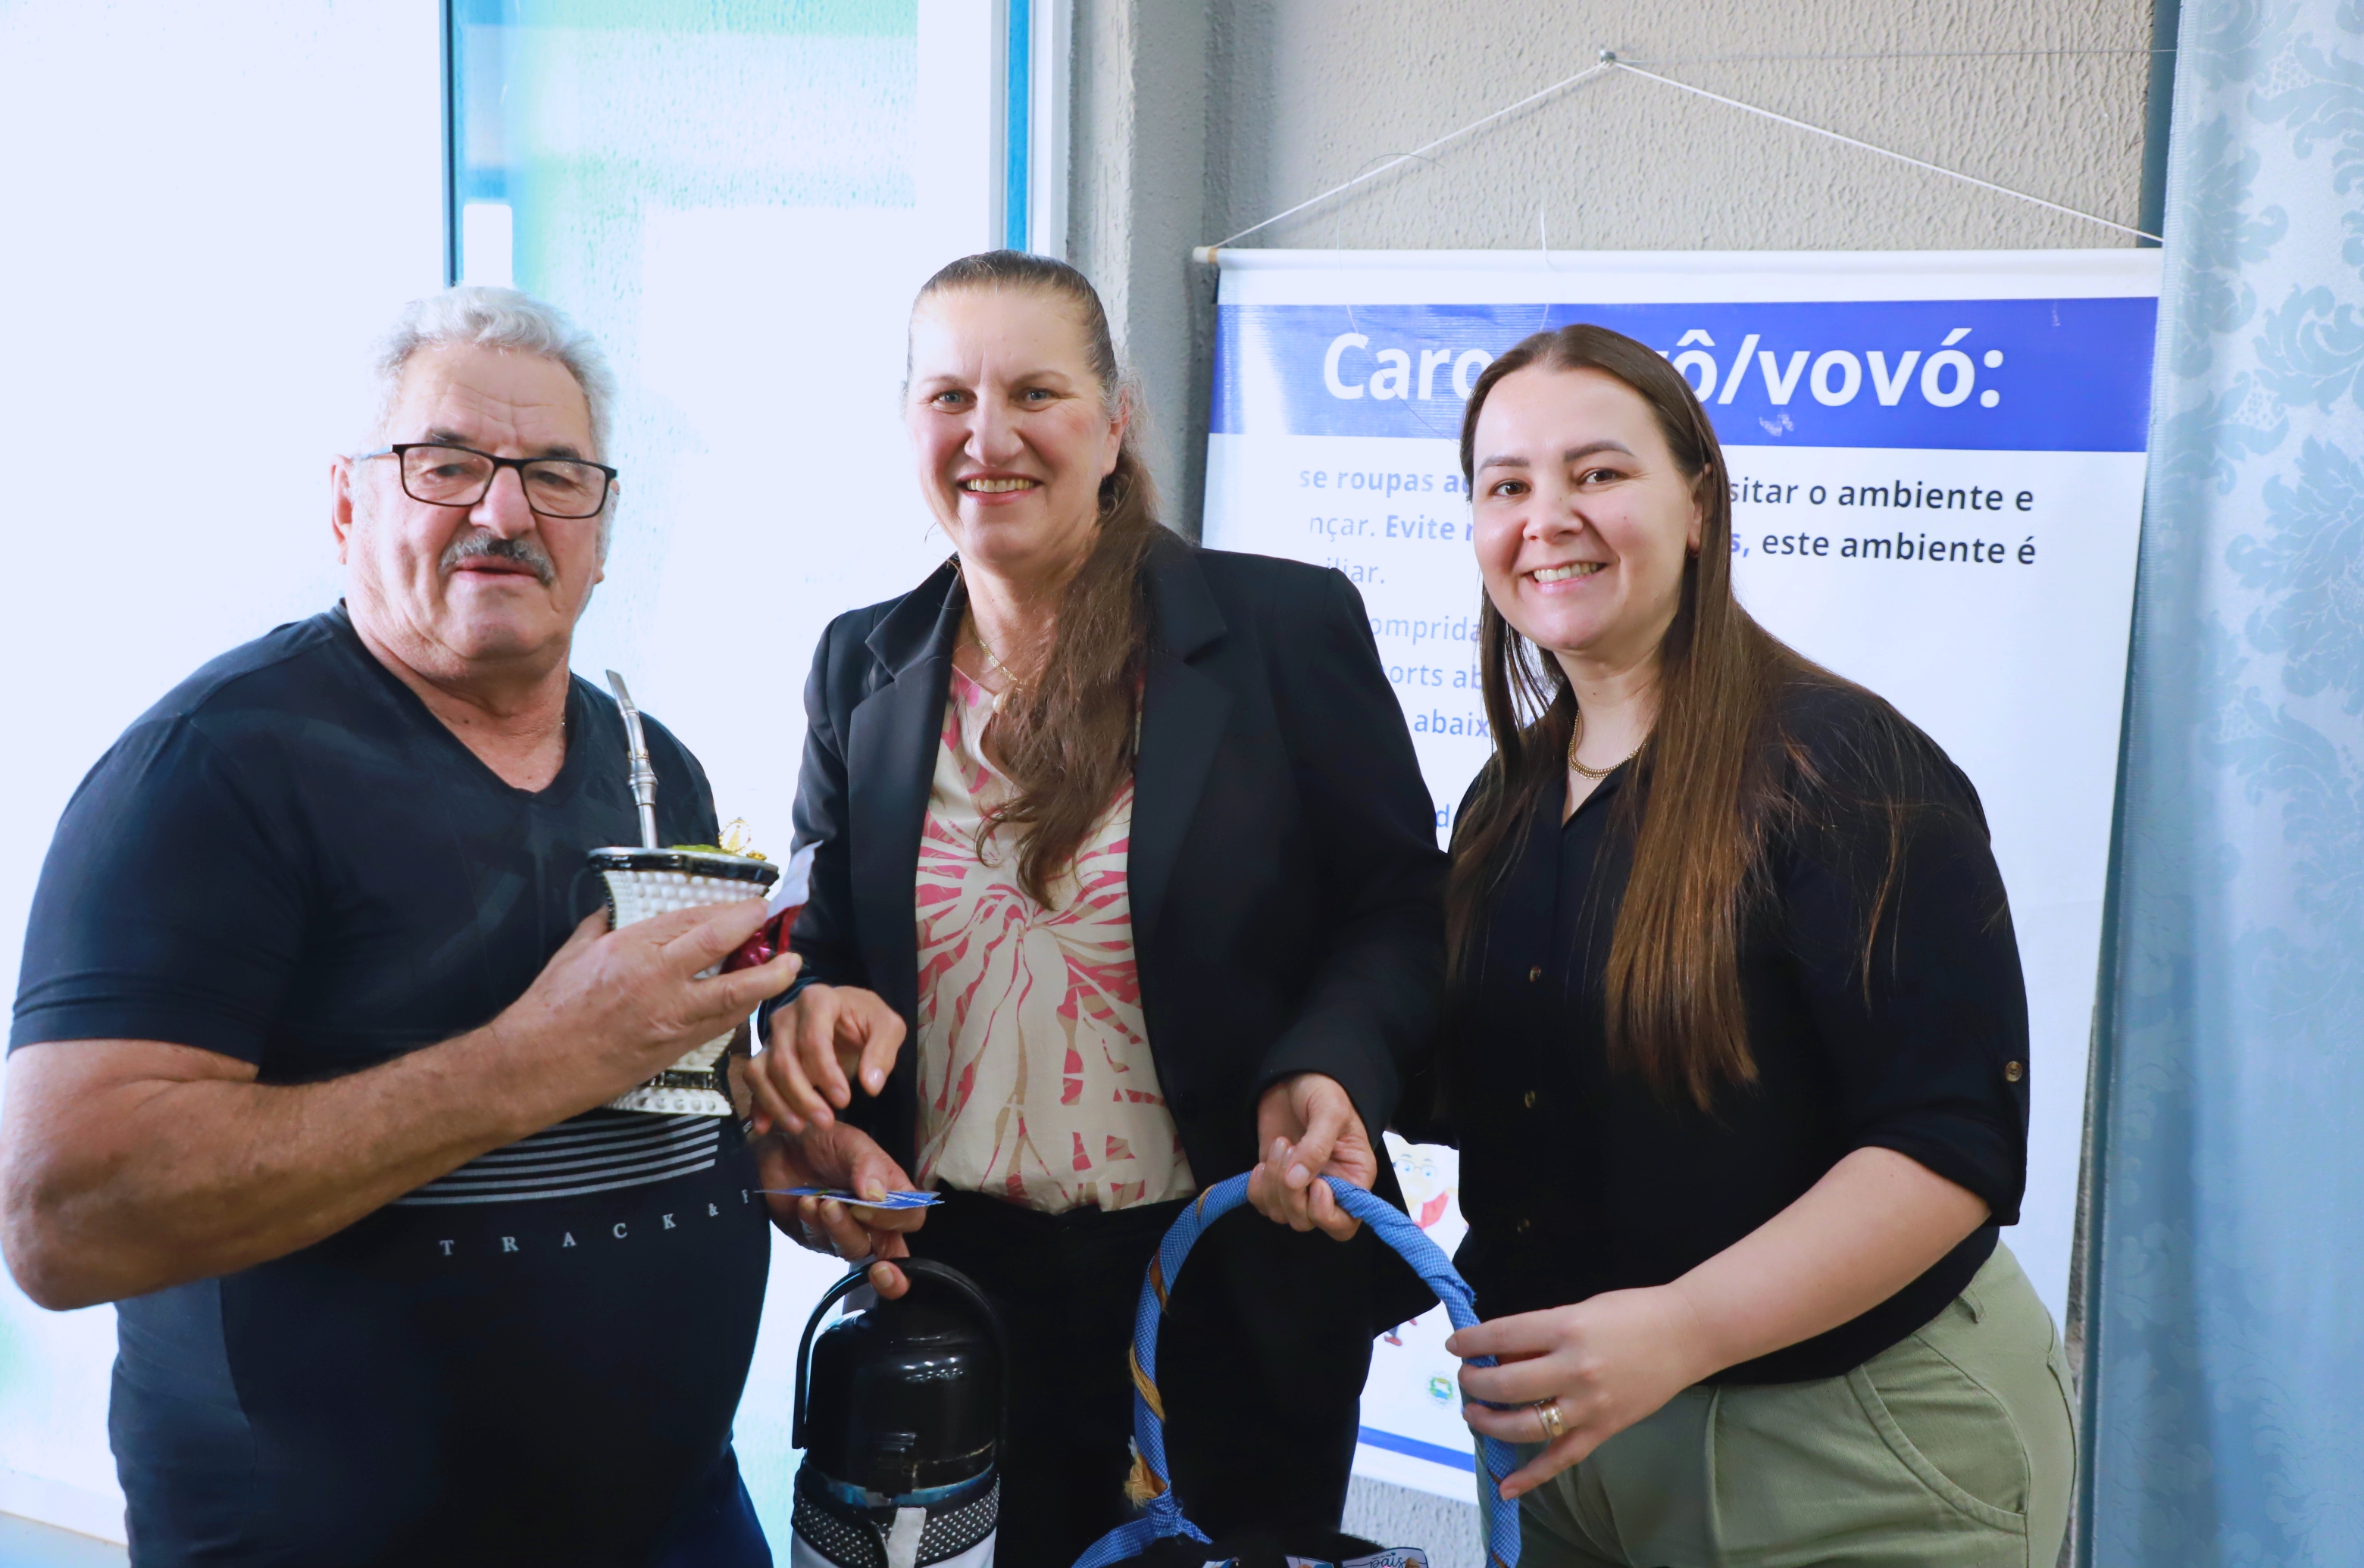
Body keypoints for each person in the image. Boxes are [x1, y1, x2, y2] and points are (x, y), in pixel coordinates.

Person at [0, 286, 824, 1567]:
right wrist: (528, 1063)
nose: (506, 512)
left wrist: (787, 1148)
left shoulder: (655, 764)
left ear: (603, 533)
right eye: (446, 464)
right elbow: (64, 1218)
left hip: (679, 1518)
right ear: (348, 503)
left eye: (555, 475)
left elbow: (654, 1085)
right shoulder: (210, 771)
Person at [737, 250, 1444, 1566]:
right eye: (949, 396)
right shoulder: (860, 662)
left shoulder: (1282, 627)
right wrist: (810, 1006)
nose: (987, 436)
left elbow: (1403, 903)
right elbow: (818, 935)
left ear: (1115, 423)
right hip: (952, 1295)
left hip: (1226, 1287)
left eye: (1035, 394)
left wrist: (1332, 1061)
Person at [1428, 324, 2074, 1567]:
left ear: (1699, 504)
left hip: (1853, 1450)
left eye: (1598, 472)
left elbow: (1949, 1144)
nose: (1547, 517)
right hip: (1571, 1456)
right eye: (1506, 485)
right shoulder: (1504, 804)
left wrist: (1680, 1329)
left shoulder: (1845, 770)